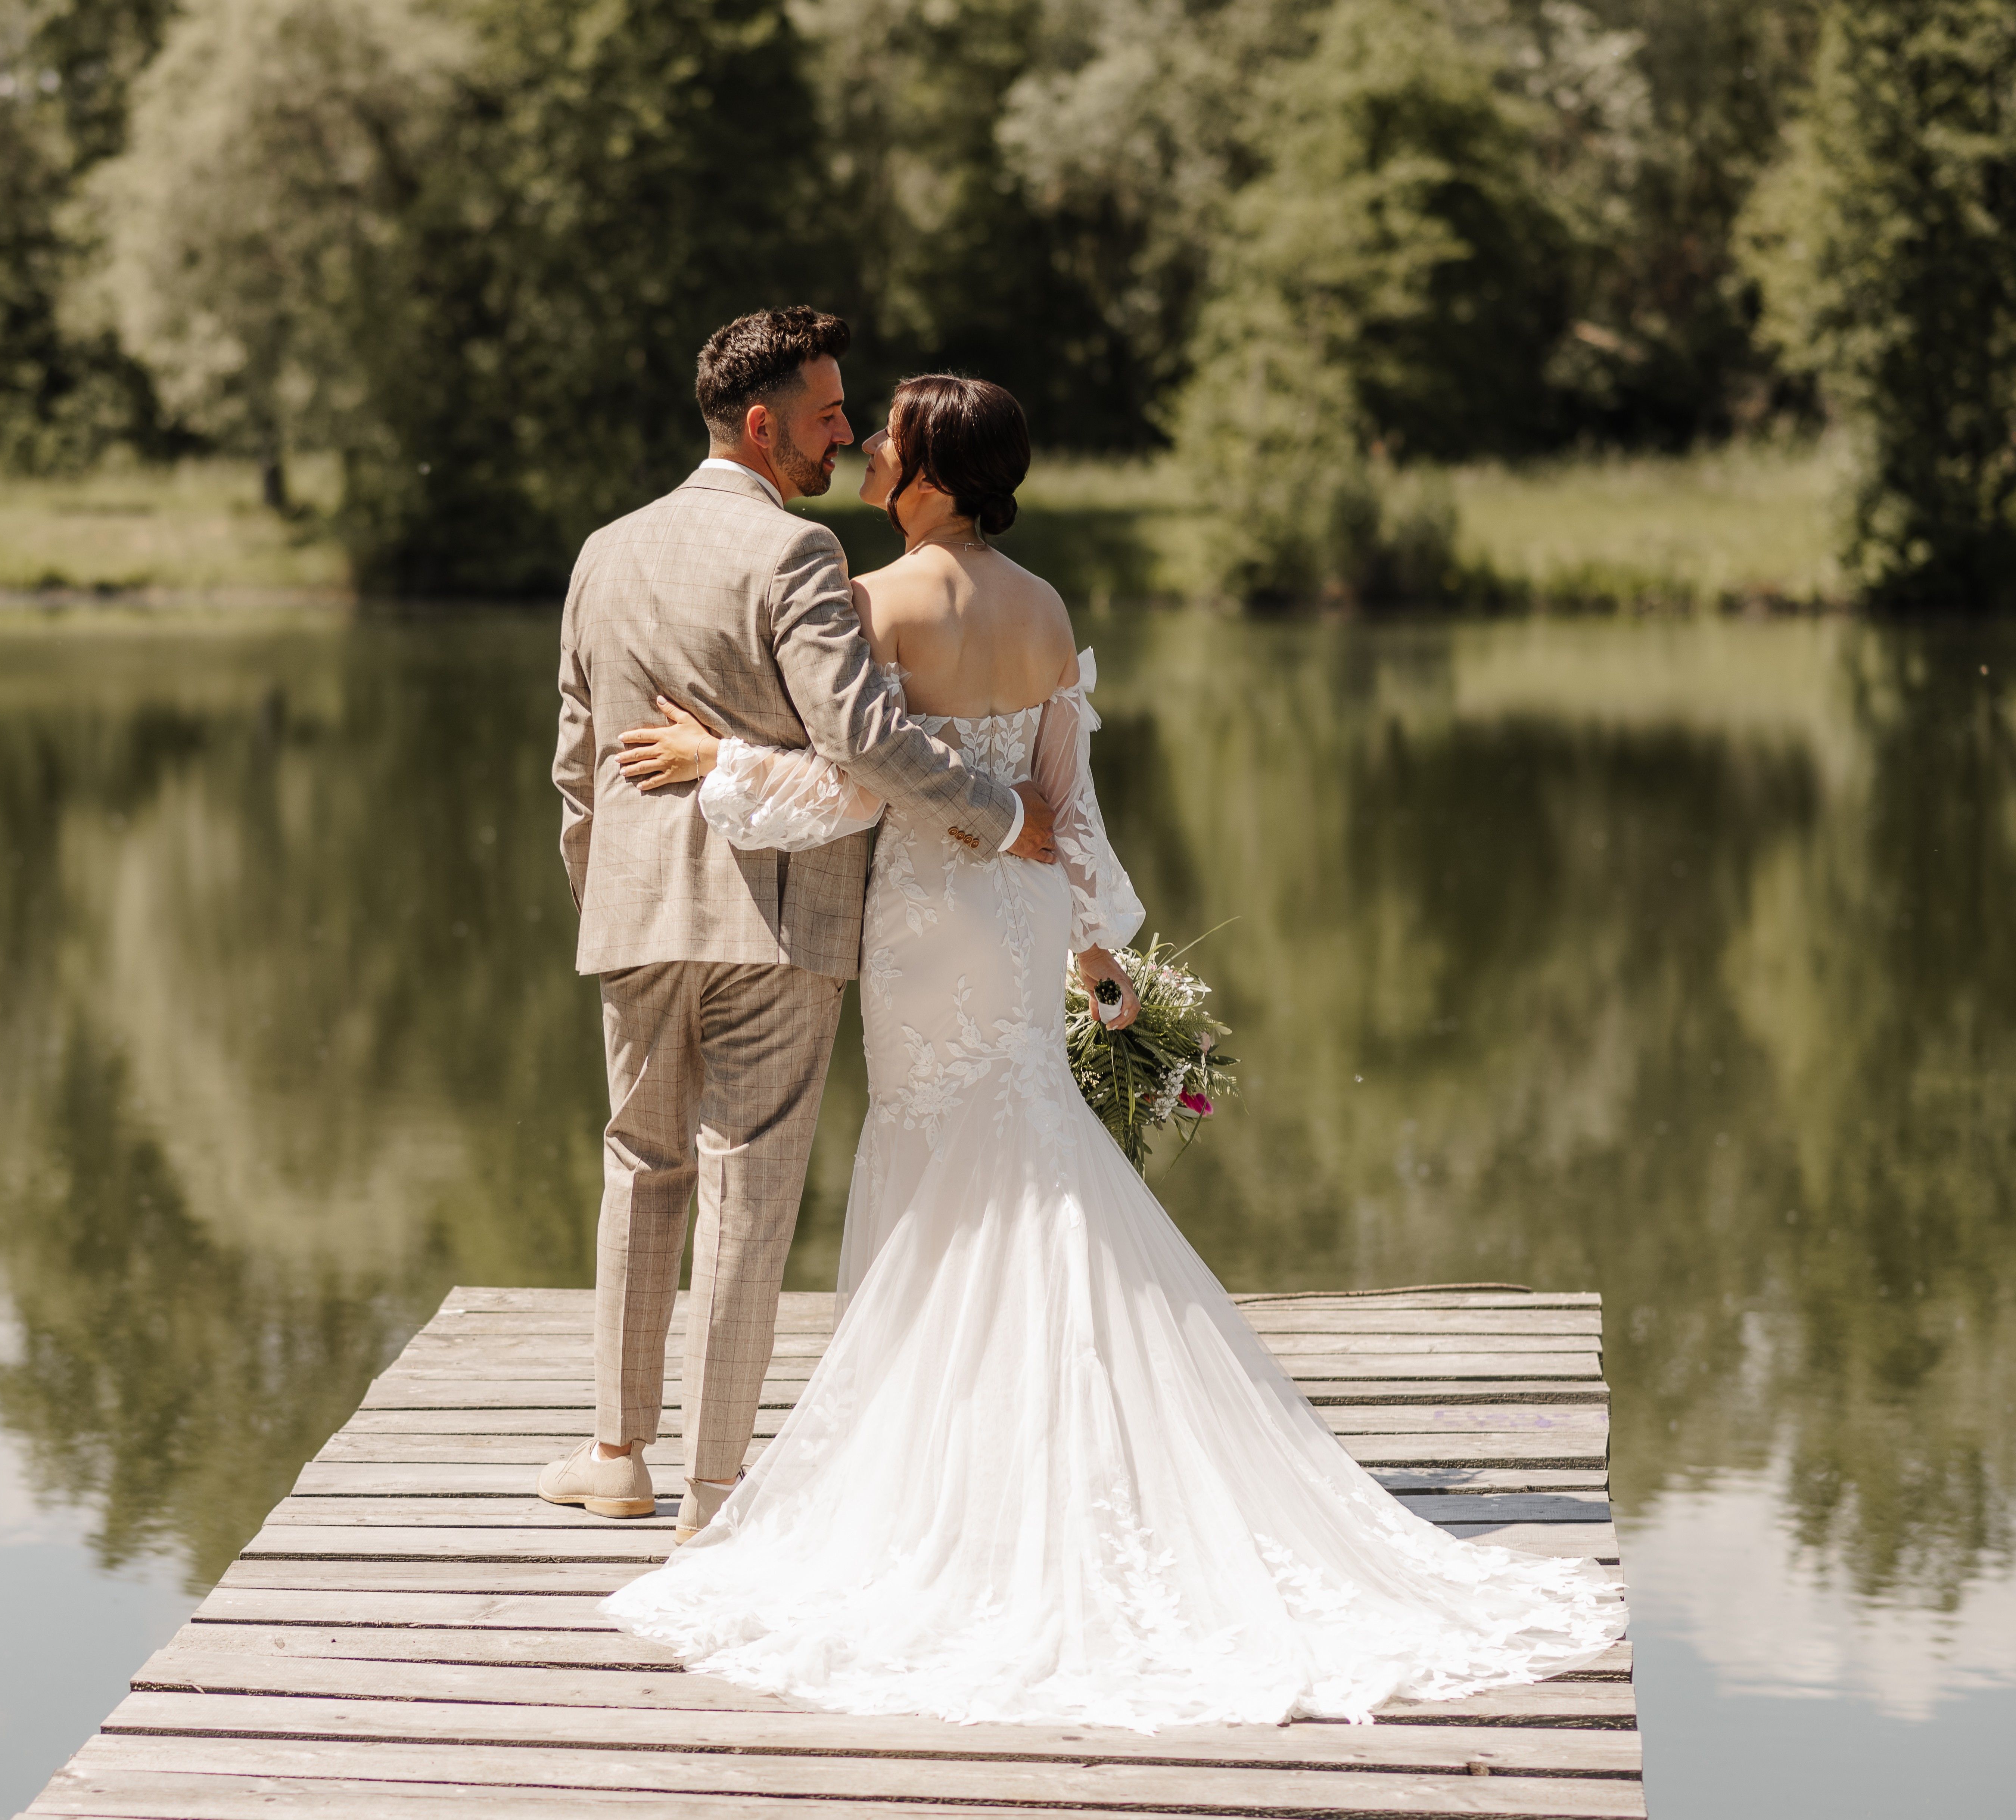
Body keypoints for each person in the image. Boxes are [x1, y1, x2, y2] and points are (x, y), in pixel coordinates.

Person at [594, 372, 1626, 1729]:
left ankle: (952, 1480)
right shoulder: (1048, 609)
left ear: (931, 470)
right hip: (1016, 924)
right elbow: (1068, 809)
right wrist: (1099, 960)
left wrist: (717, 763)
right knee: (1025, 1137)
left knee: (937, 1154)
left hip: (924, 920)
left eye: (891, 431)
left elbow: (856, 787)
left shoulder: (879, 600)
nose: (873, 441)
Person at [540, 309, 1061, 1544]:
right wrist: (1006, 814)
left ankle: (617, 1452)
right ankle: (715, 1489)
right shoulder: (799, 556)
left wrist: (606, 890)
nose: (847, 434)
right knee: (749, 1190)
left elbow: (575, 765)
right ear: (765, 425)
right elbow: (863, 740)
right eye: (830, 415)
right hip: (779, 918)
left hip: (634, 915)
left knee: (638, 1165)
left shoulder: (604, 551)